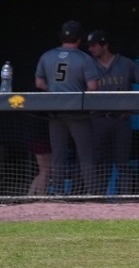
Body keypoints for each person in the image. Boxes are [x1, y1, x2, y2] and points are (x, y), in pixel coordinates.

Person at [82, 29, 139, 194]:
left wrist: (135, 102)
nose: (90, 49)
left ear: (104, 45)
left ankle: (125, 201)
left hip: (121, 119)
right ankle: (97, 200)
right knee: (100, 163)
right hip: (98, 119)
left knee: (122, 162)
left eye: (93, 45)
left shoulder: (126, 63)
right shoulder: (89, 64)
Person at [34, 21, 97, 195]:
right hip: (77, 112)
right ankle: (93, 194)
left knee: (59, 156)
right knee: (85, 156)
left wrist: (55, 91)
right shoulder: (84, 58)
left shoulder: (47, 56)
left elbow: (39, 83)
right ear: (79, 39)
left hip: (55, 112)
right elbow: (92, 87)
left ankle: (59, 194)